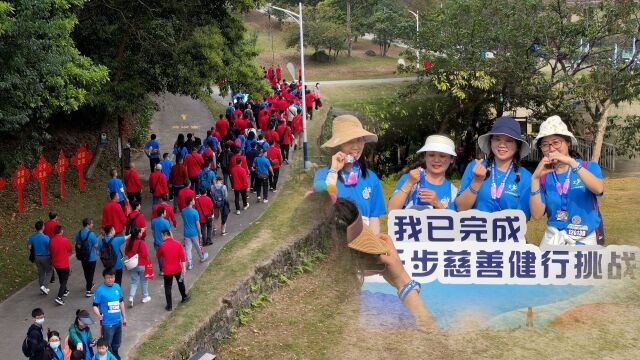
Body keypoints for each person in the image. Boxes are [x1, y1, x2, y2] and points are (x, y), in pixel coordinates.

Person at [529, 115, 605, 246]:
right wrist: (535, 179)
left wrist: (571, 162)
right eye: (545, 145)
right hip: (553, 238)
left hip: (585, 238)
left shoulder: (589, 167)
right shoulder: (543, 175)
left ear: (568, 142)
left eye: (556, 142)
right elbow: (536, 215)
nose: (551, 149)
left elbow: (599, 189)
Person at [314, 114, 386, 234]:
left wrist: (374, 245)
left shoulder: (371, 178)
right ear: (338, 145)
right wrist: (333, 171)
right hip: (334, 242)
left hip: (364, 243)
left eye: (360, 140)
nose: (356, 146)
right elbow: (320, 209)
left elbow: (374, 217)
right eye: (349, 141)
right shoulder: (322, 176)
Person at [455, 116, 532, 218]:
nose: (502, 144)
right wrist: (476, 181)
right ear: (490, 142)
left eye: (509, 140)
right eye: (497, 139)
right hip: (476, 231)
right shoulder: (475, 167)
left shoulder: (526, 177)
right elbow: (460, 209)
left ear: (518, 145)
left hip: (508, 233)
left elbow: (523, 219)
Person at [388, 134, 458, 211]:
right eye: (431, 155)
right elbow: (391, 210)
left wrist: (438, 204)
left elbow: (454, 221)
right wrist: (409, 183)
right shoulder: (409, 179)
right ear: (425, 156)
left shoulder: (453, 192)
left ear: (452, 159)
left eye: (442, 156)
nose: (436, 160)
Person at [92, 267, 127, 360]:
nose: (110, 279)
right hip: (107, 324)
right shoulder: (100, 290)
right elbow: (94, 306)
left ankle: (115, 355)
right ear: (104, 278)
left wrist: (124, 317)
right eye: (108, 277)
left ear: (114, 277)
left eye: (112, 277)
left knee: (117, 343)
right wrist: (99, 314)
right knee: (107, 345)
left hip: (118, 321)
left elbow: (121, 302)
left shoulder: (117, 287)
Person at [156, 229, 190, 311]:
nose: (161, 238)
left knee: (168, 287)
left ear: (165, 235)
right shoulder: (178, 244)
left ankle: (169, 305)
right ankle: (184, 297)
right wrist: (184, 268)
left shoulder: (162, 245)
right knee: (180, 283)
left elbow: (158, 255)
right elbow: (183, 257)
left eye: (162, 236)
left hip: (167, 270)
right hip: (177, 268)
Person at [124, 228, 151, 307]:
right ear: (138, 233)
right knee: (144, 281)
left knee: (134, 282)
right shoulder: (141, 242)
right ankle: (145, 297)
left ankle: (131, 297)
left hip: (132, 265)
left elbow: (126, 252)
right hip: (142, 264)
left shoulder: (129, 242)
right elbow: (145, 254)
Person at [181, 196, 209, 270]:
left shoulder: (183, 211)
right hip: (194, 232)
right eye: (193, 200)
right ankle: (202, 257)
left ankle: (190, 263)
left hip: (186, 233)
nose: (194, 201)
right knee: (198, 246)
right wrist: (200, 233)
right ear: (190, 202)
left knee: (188, 248)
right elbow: (197, 224)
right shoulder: (195, 212)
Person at [75, 218, 99, 297]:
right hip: (91, 257)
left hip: (83, 257)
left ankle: (89, 284)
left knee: (86, 272)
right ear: (88, 225)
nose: (92, 225)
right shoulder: (91, 234)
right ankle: (88, 290)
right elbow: (96, 245)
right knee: (91, 273)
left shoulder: (79, 233)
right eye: (91, 223)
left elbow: (78, 245)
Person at [28, 221, 52, 295]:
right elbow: (50, 247)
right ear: (42, 227)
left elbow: (29, 247)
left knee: (41, 273)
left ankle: (42, 289)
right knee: (49, 272)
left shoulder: (32, 237)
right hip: (45, 257)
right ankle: (44, 287)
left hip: (36, 257)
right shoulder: (46, 237)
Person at [49, 225, 71, 305]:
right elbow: (69, 249)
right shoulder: (64, 240)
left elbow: (50, 250)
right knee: (64, 280)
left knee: (61, 278)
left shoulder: (51, 241)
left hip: (56, 264)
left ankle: (65, 291)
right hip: (64, 264)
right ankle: (59, 297)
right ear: (61, 231)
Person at [151, 207, 171, 273]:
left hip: (157, 242)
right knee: (166, 256)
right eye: (165, 212)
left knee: (160, 257)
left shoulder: (153, 221)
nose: (166, 213)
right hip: (165, 242)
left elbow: (153, 232)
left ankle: (162, 270)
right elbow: (169, 232)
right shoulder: (166, 222)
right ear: (162, 214)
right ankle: (166, 268)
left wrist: (155, 238)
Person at [43, 212, 58, 284]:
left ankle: (52, 278)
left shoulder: (45, 224)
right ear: (56, 217)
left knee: (50, 261)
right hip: (54, 244)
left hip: (47, 244)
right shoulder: (55, 224)